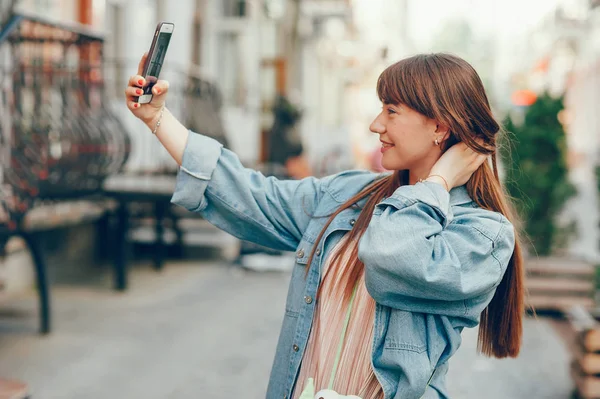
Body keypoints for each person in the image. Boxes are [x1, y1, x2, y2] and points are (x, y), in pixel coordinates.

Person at [125, 53, 523, 399]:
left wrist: (436, 184)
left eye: (391, 111)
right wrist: (158, 119)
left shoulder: (483, 236)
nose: (374, 125)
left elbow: (390, 256)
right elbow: (252, 197)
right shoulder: (349, 195)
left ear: (440, 127)